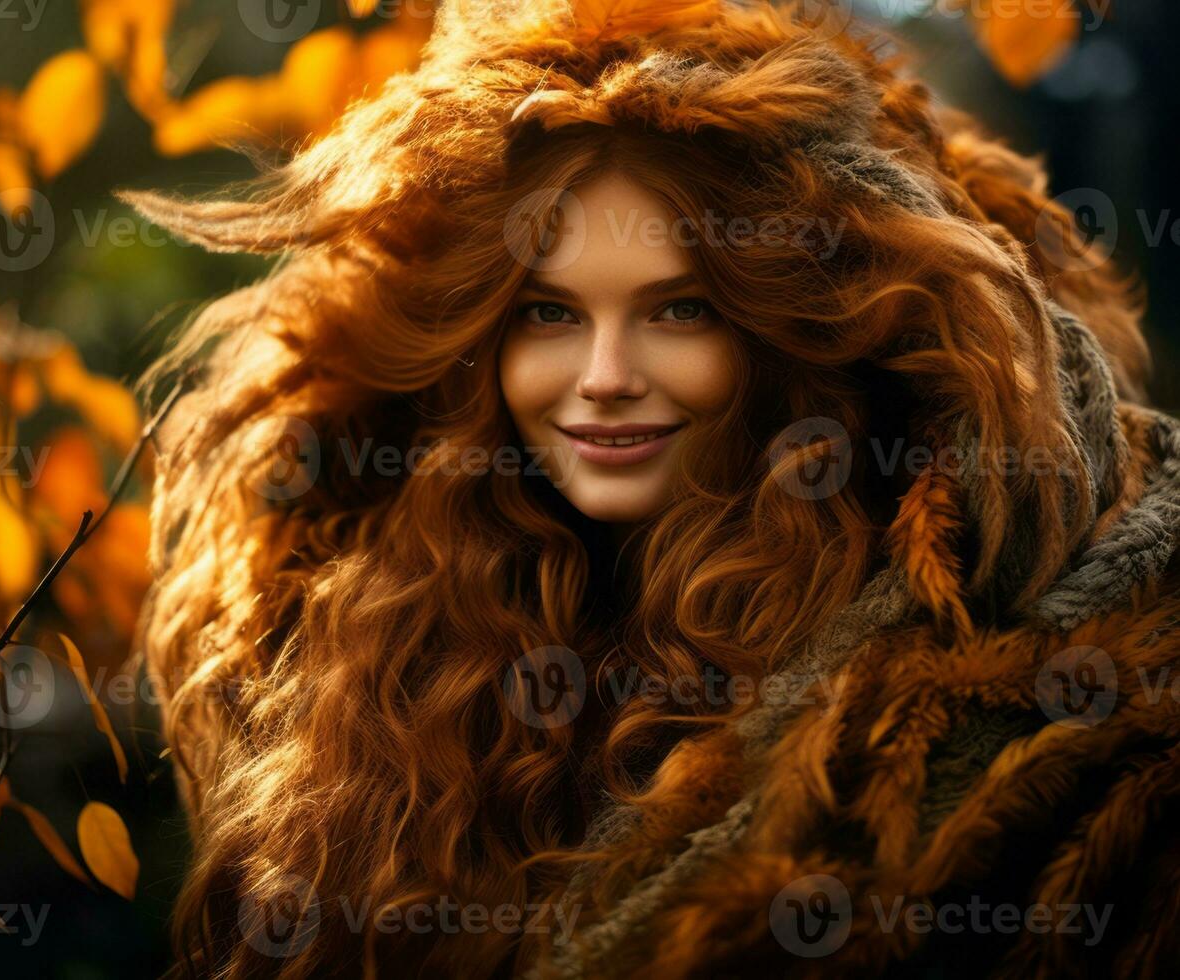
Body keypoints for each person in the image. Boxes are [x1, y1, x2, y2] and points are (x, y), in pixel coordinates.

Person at [130, 1, 1180, 976]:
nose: (602, 376)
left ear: (777, 336)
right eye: (548, 315)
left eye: (677, 311)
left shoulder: (957, 660)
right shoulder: (383, 658)